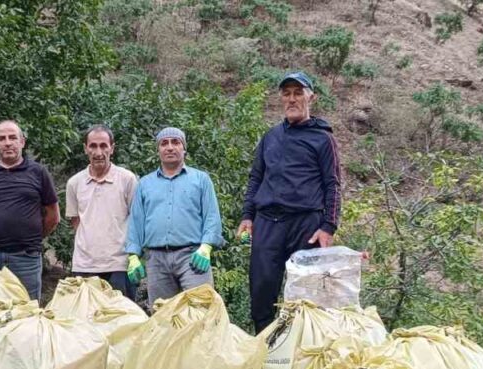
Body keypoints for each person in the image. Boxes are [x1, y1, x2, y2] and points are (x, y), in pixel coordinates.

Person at [237, 71, 343, 333]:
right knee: (262, 290)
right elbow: (256, 178)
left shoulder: (323, 138)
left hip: (305, 225)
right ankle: (266, 350)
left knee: (306, 294)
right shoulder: (270, 137)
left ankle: (302, 350)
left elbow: (333, 184)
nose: (292, 99)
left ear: (311, 97)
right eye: (287, 93)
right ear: (281, 99)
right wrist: (247, 216)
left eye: (298, 92)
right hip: (268, 223)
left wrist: (328, 227)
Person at [124, 127, 224, 309]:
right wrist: (133, 256)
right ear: (158, 150)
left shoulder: (201, 180)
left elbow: (212, 216)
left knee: (200, 312)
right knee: (162, 316)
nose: (170, 147)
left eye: (175, 142)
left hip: (193, 258)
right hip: (156, 260)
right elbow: (136, 222)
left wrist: (206, 247)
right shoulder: (145, 184)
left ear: (184, 148)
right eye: (164, 143)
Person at [0, 120, 59, 301]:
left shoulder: (38, 172)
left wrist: (31, 236)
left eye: (12, 138)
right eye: (2, 139)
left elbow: (53, 216)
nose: (7, 142)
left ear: (22, 142)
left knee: (26, 315)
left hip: (26, 259)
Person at [65, 125, 139, 299]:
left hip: (119, 265)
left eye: (104, 146)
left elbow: (137, 220)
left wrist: (134, 257)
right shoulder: (74, 183)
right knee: (85, 320)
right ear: (85, 149)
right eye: (93, 146)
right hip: (84, 266)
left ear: (112, 148)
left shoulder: (127, 179)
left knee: (122, 322)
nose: (98, 152)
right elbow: (76, 222)